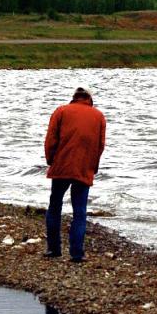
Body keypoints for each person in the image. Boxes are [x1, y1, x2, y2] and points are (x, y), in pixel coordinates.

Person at [44, 87, 106, 263]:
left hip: (62, 166)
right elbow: (100, 146)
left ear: (74, 97)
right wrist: (93, 166)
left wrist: (50, 160)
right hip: (83, 168)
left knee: (55, 205)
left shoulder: (61, 111)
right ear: (90, 98)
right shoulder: (98, 116)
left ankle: (54, 249)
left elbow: (51, 139)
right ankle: (77, 254)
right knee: (80, 211)